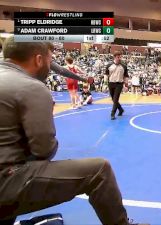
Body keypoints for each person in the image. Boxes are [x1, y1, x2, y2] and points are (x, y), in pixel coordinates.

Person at [0, 37, 130, 224]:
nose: (51, 65)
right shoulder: (32, 87)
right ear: (38, 60)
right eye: (49, 59)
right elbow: (44, 151)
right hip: (6, 182)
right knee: (99, 171)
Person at [106, 51, 129, 120]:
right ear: (115, 57)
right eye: (118, 57)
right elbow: (106, 75)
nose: (119, 58)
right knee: (113, 99)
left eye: (120, 57)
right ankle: (121, 109)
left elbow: (126, 76)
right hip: (111, 83)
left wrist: (126, 85)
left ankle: (112, 114)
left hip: (119, 84)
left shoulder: (124, 66)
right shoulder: (109, 65)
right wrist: (104, 83)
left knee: (115, 99)